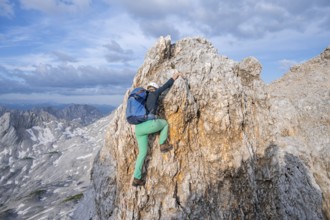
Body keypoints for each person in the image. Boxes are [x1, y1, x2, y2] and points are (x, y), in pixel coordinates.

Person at [132, 70, 181, 187]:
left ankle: (136, 178)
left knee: (142, 153)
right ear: (154, 88)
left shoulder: (142, 100)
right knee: (164, 123)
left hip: (138, 129)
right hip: (148, 125)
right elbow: (166, 86)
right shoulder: (154, 94)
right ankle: (163, 144)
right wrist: (174, 77)